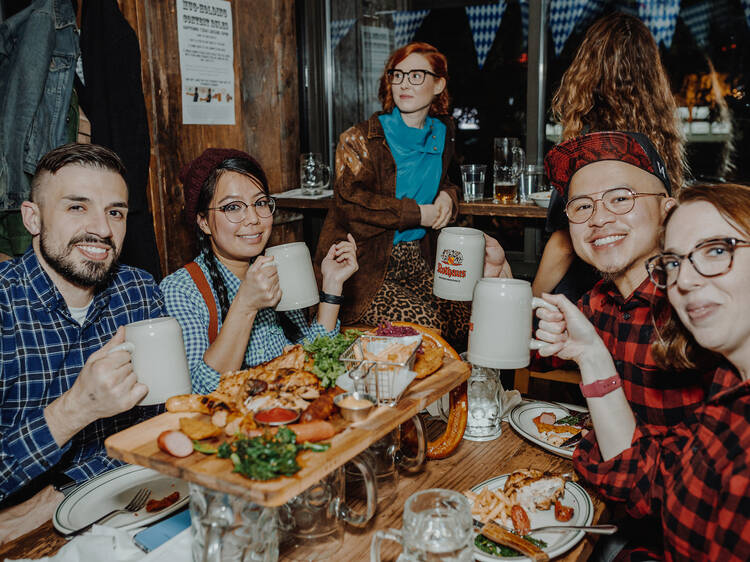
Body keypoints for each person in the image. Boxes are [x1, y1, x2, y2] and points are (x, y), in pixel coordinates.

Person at [534, 183, 750, 560]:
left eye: (717, 251)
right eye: (674, 263)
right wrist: (591, 355)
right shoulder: (730, 390)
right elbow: (651, 478)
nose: (685, 280)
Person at [0, 143, 166, 540]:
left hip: (138, 505)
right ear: (33, 218)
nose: (103, 229)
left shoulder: (139, 290)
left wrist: (60, 492)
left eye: (115, 212)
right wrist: (75, 409)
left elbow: (160, 423)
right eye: (77, 207)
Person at [496, 131, 707, 431]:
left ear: (667, 211)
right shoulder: (597, 302)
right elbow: (527, 356)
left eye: (620, 198)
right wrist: (504, 289)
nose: (598, 218)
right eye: (582, 206)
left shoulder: (699, 306)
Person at [314, 42, 508, 349]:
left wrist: (448, 196)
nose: (404, 83)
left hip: (419, 258)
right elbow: (351, 205)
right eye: (398, 75)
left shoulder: (442, 132)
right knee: (428, 329)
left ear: (438, 84)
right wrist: (419, 214)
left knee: (464, 317)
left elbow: (445, 180)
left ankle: (459, 394)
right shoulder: (359, 139)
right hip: (364, 266)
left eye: (416, 75)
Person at [160, 149, 358, 394]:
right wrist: (246, 304)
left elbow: (313, 364)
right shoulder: (181, 289)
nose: (253, 218)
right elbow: (202, 391)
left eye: (261, 203)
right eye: (233, 207)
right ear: (203, 222)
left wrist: (332, 287)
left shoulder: (278, 269)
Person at [532, 12, 688, 301]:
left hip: (586, 291)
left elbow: (564, 244)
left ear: (587, 68)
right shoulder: (657, 139)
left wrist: (531, 300)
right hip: (643, 288)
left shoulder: (592, 146)